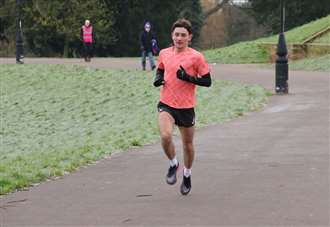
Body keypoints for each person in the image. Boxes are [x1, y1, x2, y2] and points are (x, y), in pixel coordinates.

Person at [153, 19, 212, 195]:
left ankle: (187, 174)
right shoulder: (164, 53)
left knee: (188, 145)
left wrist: (188, 77)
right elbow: (161, 68)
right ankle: (173, 164)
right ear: (172, 36)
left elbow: (207, 81)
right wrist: (158, 78)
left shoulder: (196, 57)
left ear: (189, 37)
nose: (179, 38)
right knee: (165, 136)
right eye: (176, 34)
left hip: (186, 107)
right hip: (167, 103)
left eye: (183, 35)